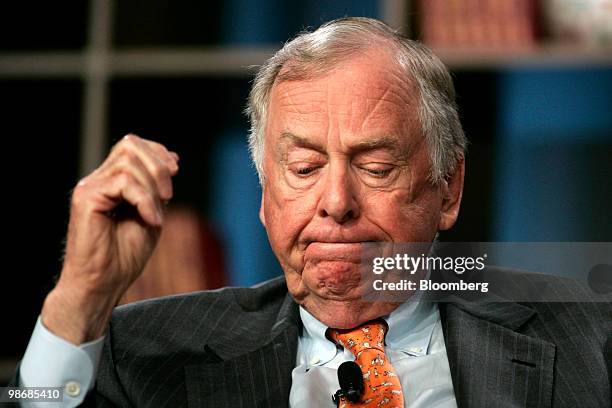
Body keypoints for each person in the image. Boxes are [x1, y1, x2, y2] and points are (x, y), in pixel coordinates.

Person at [11, 17, 610, 408]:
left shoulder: (589, 337)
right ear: (265, 193)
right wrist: (82, 296)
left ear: (447, 190)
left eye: (375, 168)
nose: (336, 203)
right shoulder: (147, 353)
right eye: (303, 169)